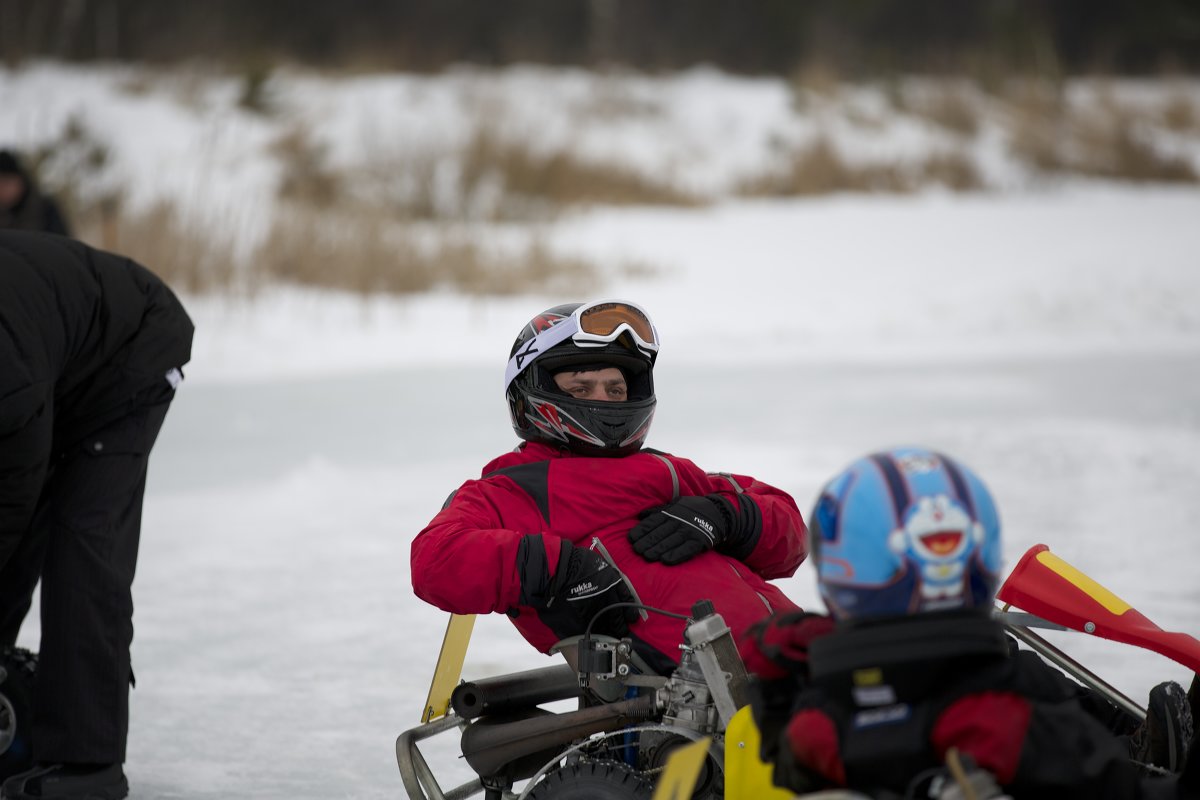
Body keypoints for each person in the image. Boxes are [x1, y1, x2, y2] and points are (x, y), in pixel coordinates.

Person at [739, 446, 1197, 799]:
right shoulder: (997, 718)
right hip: (1071, 766)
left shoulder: (815, 710)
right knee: (1014, 668)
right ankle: (1133, 751)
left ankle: (1130, 740)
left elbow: (778, 730)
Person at [410, 299, 808, 675]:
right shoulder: (512, 489)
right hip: (711, 696)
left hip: (807, 659)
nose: (605, 401)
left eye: (616, 389)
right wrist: (560, 570)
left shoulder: (666, 471)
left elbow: (790, 536)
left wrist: (726, 517)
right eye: (581, 388)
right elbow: (434, 561)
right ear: (532, 393)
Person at [0, 231, 194, 800]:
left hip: (133, 351)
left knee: (83, 543)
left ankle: (88, 766)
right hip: (56, 349)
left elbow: (15, 491)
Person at [0, 151, 71, 237]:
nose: (2, 190)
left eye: (6, 183)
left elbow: (64, 244)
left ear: (20, 180)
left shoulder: (44, 208)